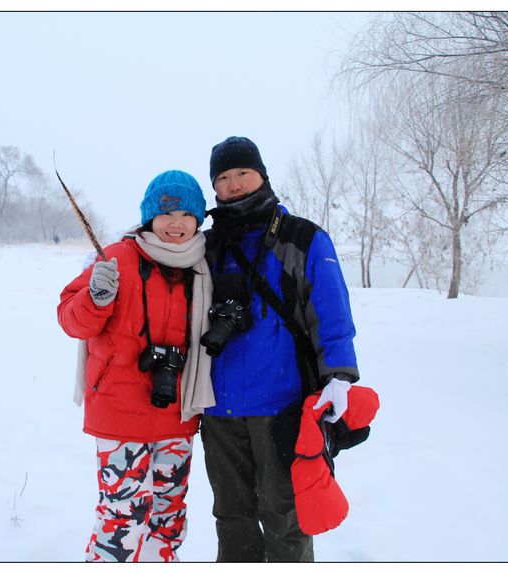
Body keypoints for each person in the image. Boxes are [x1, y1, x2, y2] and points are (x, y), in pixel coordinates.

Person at [199, 136, 360, 562]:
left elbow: (331, 313)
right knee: (231, 517)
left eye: (242, 174)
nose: (234, 185)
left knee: (285, 516)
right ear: (214, 188)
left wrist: (339, 375)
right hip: (218, 411)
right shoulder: (206, 247)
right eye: (224, 178)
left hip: (282, 408)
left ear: (262, 175)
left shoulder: (301, 238)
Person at [57, 169, 215, 562]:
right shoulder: (116, 259)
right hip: (119, 414)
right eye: (165, 214)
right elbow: (70, 319)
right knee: (122, 517)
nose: (175, 223)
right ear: (149, 218)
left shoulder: (204, 266)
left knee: (169, 515)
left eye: (185, 214)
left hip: (177, 413)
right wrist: (96, 296)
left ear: (198, 219)